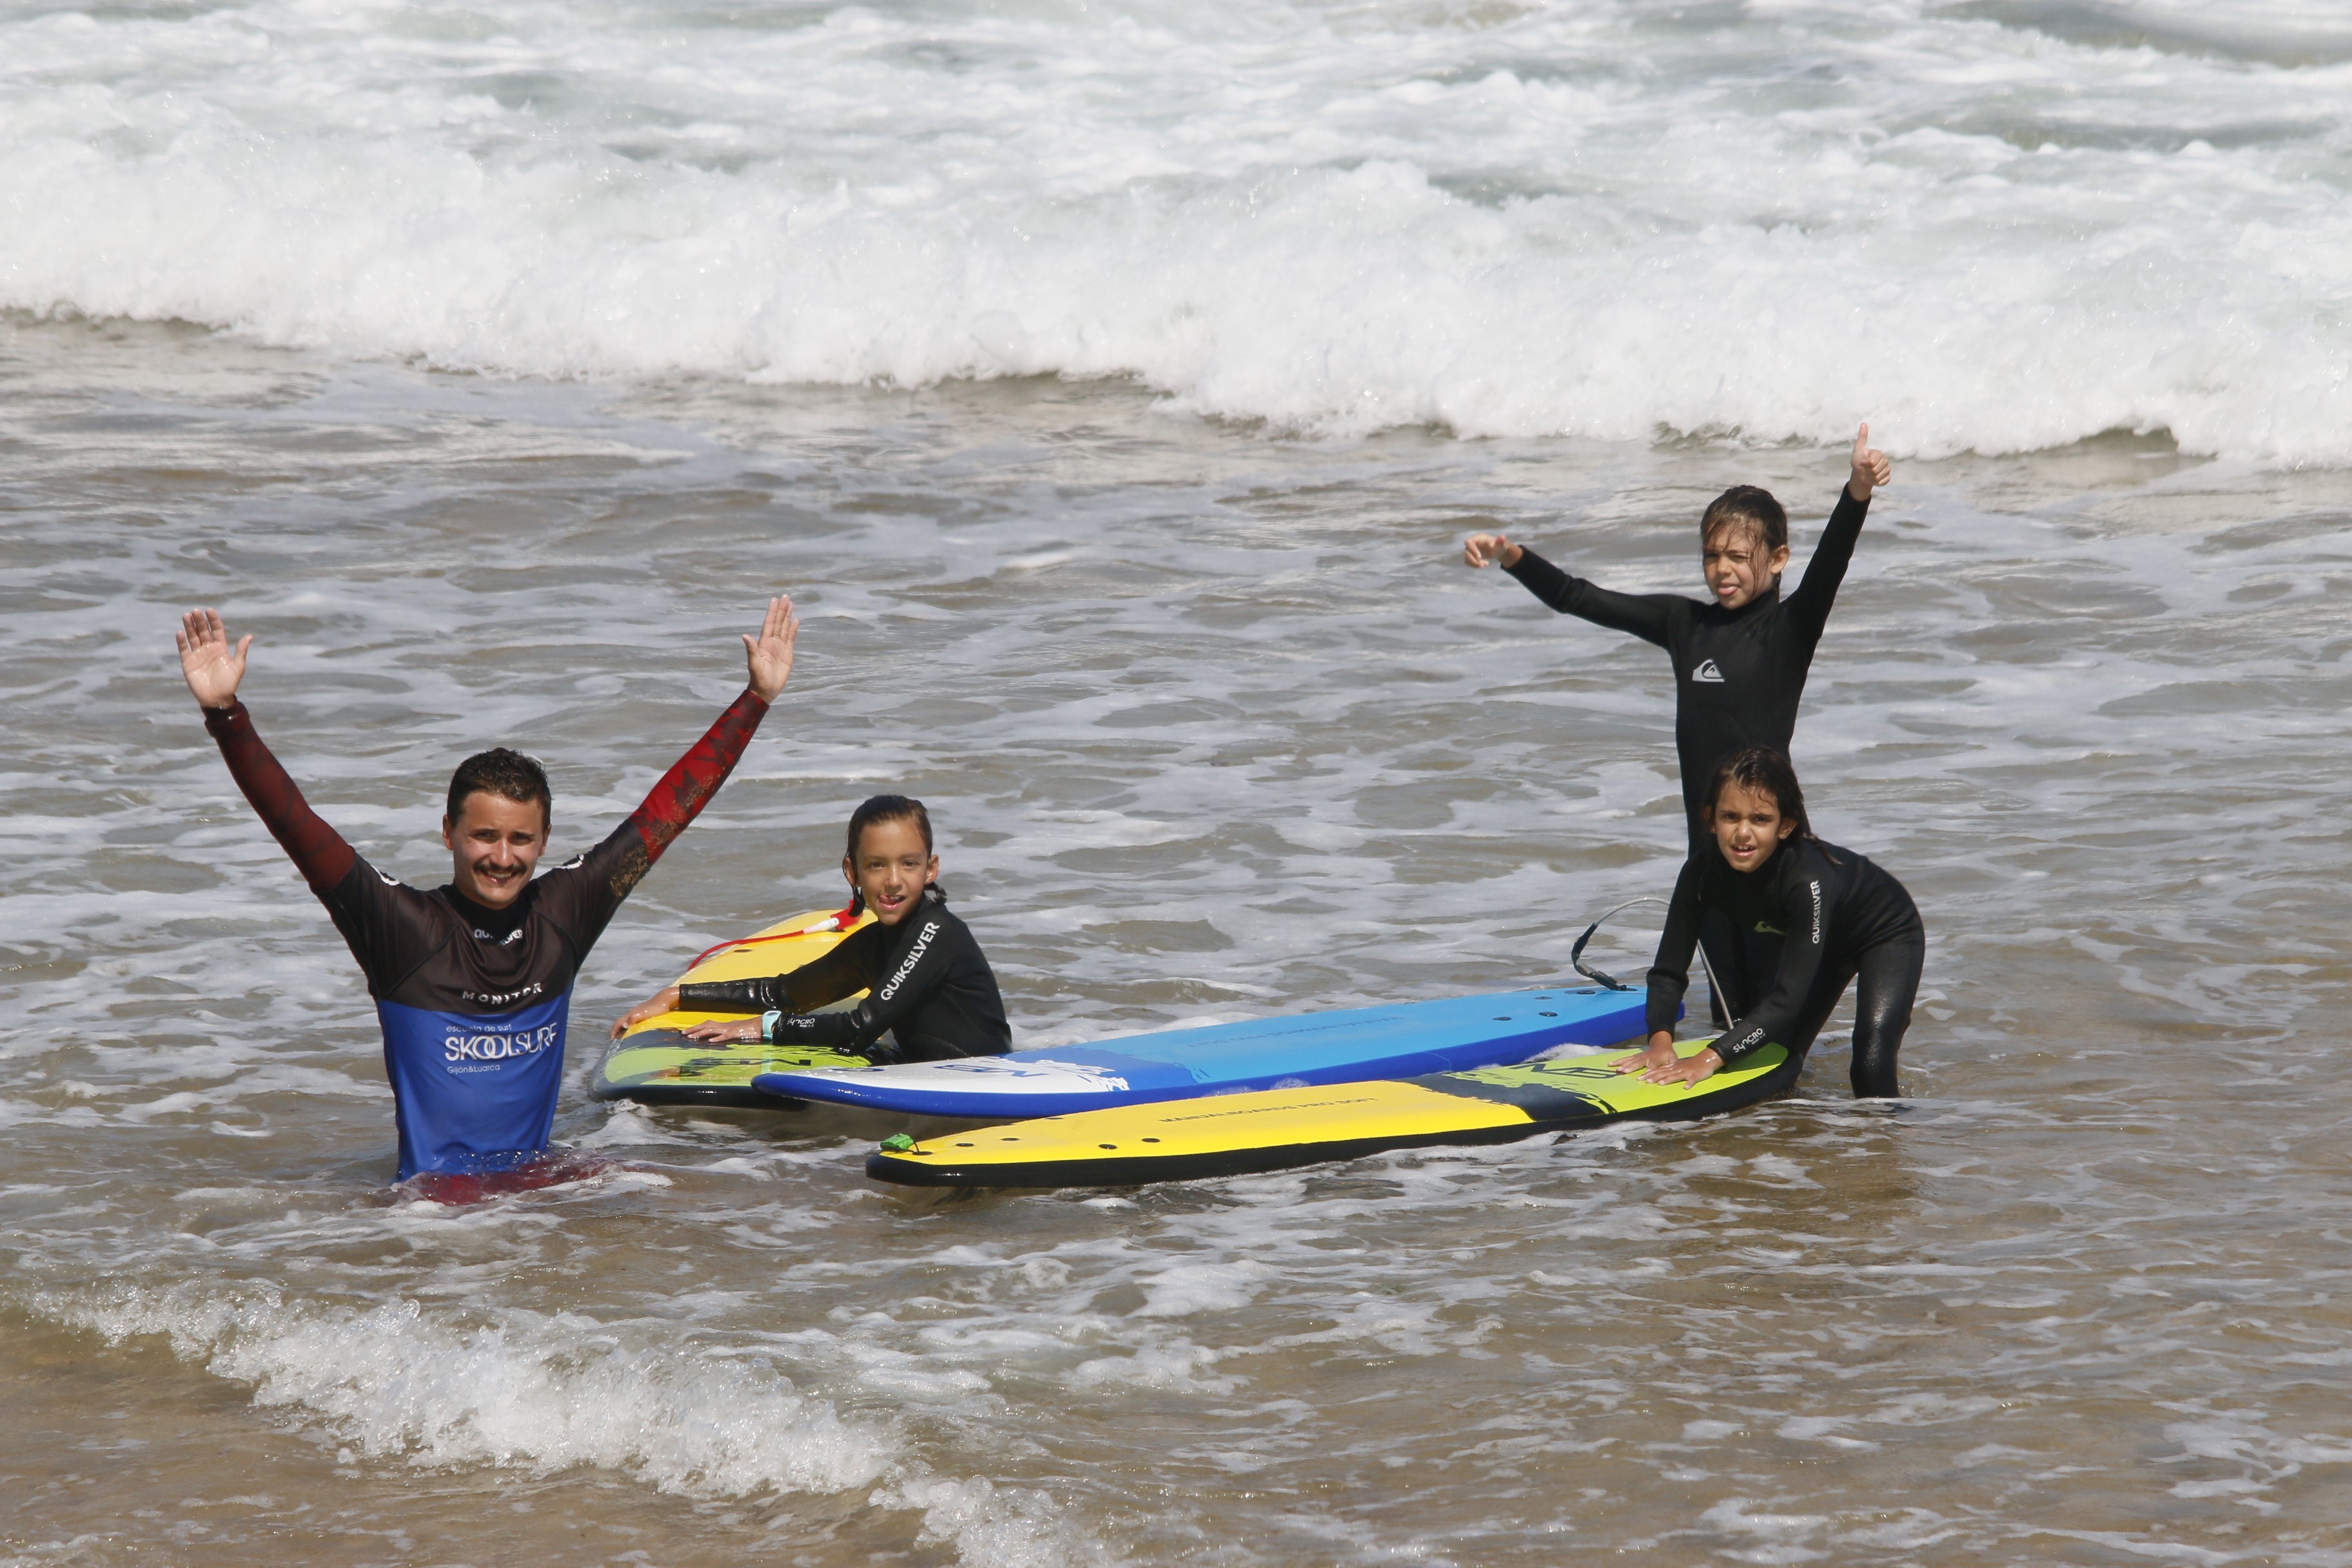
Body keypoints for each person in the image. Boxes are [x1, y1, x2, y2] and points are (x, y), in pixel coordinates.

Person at [177, 597, 800, 1184]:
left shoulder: (563, 914)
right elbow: (299, 827)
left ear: (545, 838)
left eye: (521, 840)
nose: (503, 858)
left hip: (540, 1197)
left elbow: (662, 817)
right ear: (448, 832)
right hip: (436, 1216)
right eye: (483, 837)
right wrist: (226, 717)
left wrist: (757, 698)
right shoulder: (404, 930)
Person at [1461, 425, 1894, 849]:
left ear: (1778, 558)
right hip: (1705, 866)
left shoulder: (1789, 629)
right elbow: (1578, 597)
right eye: (1712, 555)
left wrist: (1858, 489)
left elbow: (1833, 556)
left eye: (1738, 556)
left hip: (1774, 862)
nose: (1722, 569)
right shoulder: (1686, 625)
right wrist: (1509, 556)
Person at [1615, 747, 1925, 1098]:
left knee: (1871, 1057)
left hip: (1883, 934)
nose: (1743, 832)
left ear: (1786, 826)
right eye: (1731, 816)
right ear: (1710, 818)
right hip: (1815, 945)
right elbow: (1668, 971)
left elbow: (1786, 1001)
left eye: (1760, 819)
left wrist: (1707, 1057)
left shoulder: (1805, 880)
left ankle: (1888, 1143)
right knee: (1777, 1065)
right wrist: (1660, 1041)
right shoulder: (1701, 874)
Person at [611, 794, 1010, 1062]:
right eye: (876, 865)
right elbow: (785, 992)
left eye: (909, 863)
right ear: (852, 872)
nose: (893, 880)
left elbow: (860, 1026)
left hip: (987, 1084)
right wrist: (678, 995)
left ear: (930, 870)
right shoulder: (875, 943)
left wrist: (763, 1028)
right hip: (929, 1074)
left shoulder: (935, 932)